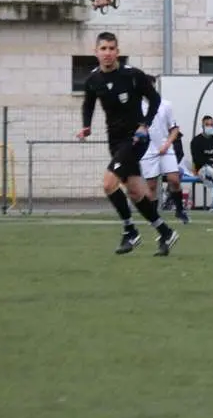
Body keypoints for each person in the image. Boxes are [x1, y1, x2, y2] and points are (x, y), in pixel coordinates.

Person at [76, 32, 178, 256]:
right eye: (103, 49)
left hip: (135, 139)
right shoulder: (94, 80)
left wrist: (145, 125)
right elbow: (88, 105)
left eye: (112, 48)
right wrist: (86, 126)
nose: (108, 53)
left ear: (118, 52)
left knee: (108, 183)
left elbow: (155, 99)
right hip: (115, 140)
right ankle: (165, 231)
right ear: (96, 52)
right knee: (135, 191)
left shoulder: (132, 75)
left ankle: (130, 230)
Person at [139, 93, 189, 224]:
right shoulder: (137, 106)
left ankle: (179, 210)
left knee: (174, 179)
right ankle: (154, 217)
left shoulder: (165, 104)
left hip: (166, 148)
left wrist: (167, 144)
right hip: (147, 151)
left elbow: (174, 129)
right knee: (151, 185)